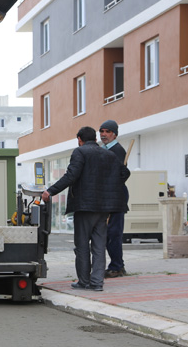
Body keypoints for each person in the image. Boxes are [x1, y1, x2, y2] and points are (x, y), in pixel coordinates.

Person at [41, 126, 130, 291]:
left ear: (80, 140)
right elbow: (125, 174)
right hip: (104, 208)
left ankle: (84, 281)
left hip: (85, 207)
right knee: (98, 245)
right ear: (95, 139)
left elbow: (71, 175)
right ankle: (97, 282)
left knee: (82, 245)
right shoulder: (109, 154)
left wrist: (50, 191)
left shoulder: (80, 152)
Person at [99, 120, 129, 278]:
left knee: (114, 232)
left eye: (107, 131)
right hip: (107, 195)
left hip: (116, 195)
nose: (103, 134)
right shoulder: (103, 150)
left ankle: (117, 266)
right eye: (101, 131)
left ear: (114, 134)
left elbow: (118, 176)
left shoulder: (117, 150)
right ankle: (116, 265)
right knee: (107, 232)